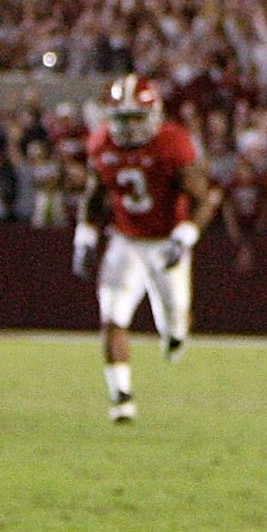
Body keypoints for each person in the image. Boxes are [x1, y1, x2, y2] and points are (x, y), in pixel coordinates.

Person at [72, 74, 218, 422]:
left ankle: (174, 335)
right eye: (122, 119)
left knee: (175, 323)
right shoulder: (102, 143)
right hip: (126, 240)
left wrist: (185, 235)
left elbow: (204, 198)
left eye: (136, 118)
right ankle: (121, 397)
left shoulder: (172, 144)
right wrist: (85, 237)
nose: (129, 128)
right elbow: (95, 197)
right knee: (112, 316)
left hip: (166, 239)